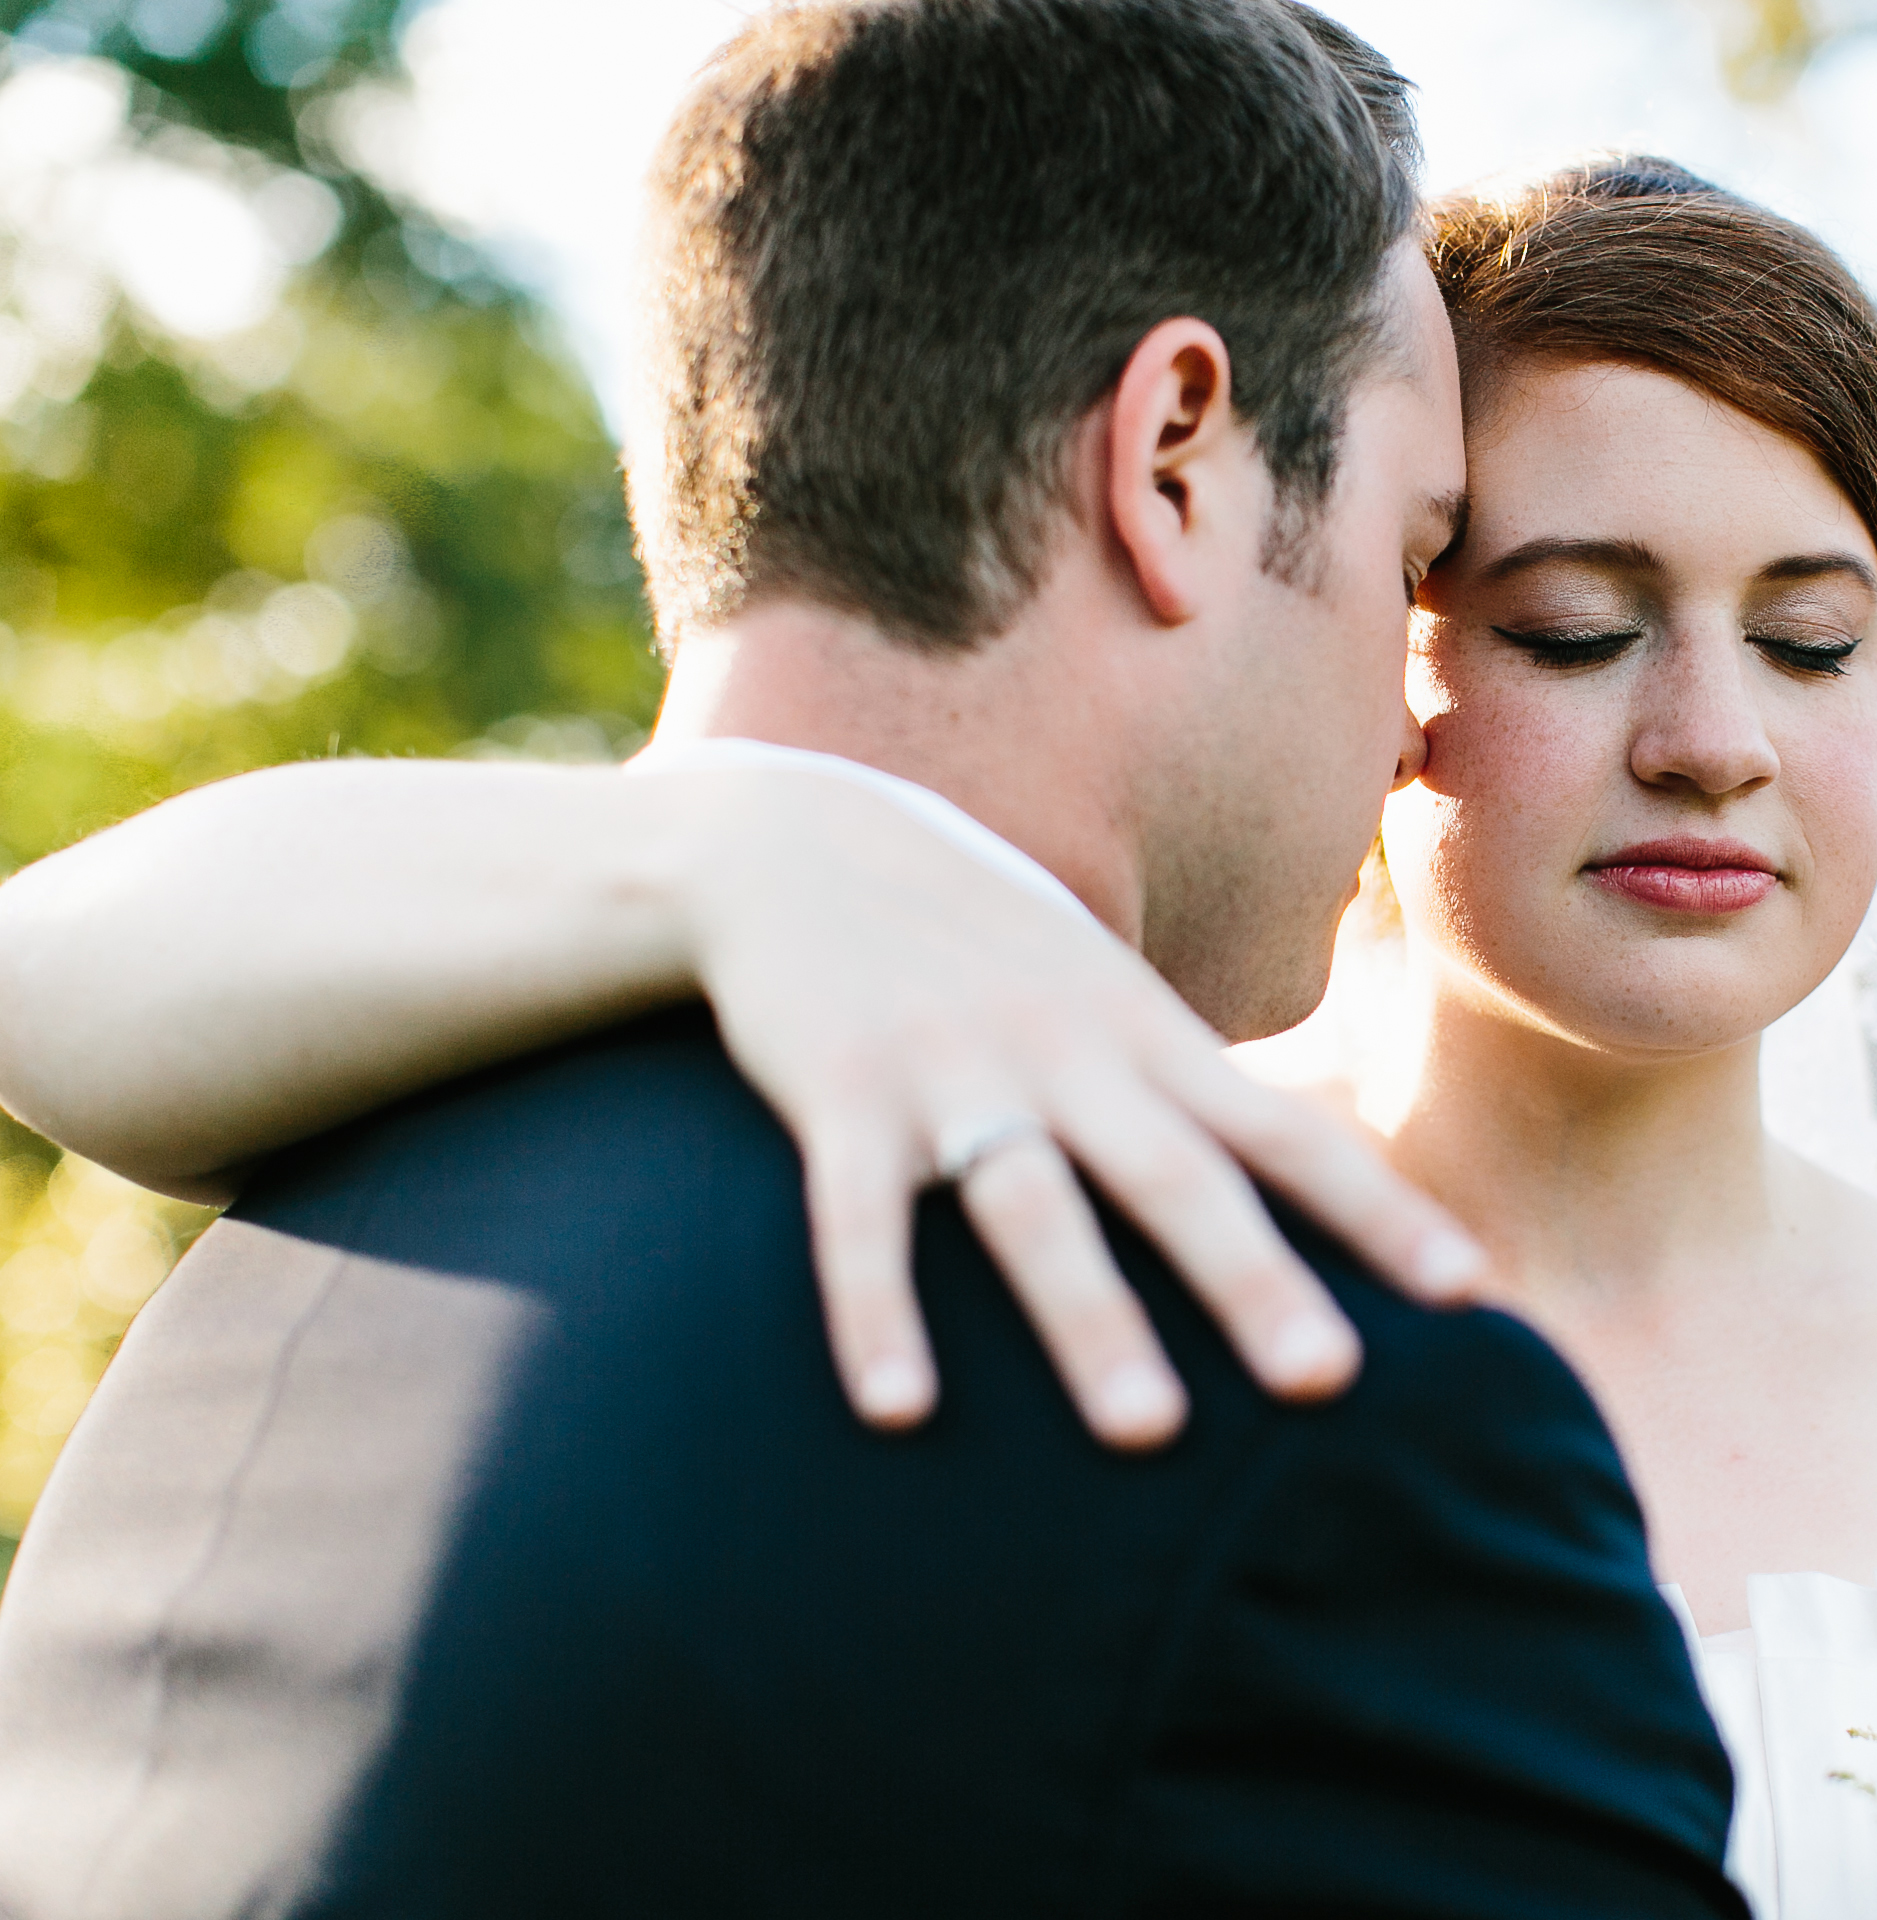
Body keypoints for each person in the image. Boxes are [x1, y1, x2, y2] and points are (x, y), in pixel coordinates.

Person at [0, 7, 1749, 1916]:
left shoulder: (291, 1230)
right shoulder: (1314, 1408)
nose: (1415, 724)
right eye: (1411, 555)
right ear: (1175, 457)